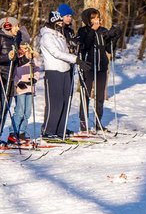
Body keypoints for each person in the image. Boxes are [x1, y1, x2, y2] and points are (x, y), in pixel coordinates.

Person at [76, 8, 120, 132]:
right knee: (85, 95)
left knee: (100, 96)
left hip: (101, 67)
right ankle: (83, 124)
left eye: (97, 17)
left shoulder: (103, 31)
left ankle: (98, 122)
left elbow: (109, 50)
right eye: (93, 18)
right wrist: (92, 31)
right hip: (88, 67)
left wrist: (114, 37)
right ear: (88, 20)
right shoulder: (83, 31)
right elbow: (85, 45)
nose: (97, 20)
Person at [39, 8, 78, 140]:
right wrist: (75, 59)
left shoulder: (60, 36)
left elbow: (68, 52)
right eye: (59, 23)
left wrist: (75, 54)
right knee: (55, 103)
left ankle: (60, 130)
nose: (62, 25)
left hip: (65, 71)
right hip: (53, 71)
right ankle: (48, 131)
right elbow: (56, 53)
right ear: (53, 22)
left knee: (65, 102)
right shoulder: (47, 36)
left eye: (62, 23)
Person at [0, 17, 31, 125]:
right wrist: (7, 57)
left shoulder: (13, 40)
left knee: (4, 109)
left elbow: (15, 62)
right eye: (16, 26)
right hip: (2, 78)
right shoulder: (1, 38)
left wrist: (26, 58)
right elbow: (7, 58)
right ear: (8, 26)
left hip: (10, 78)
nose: (18, 28)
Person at [9, 40, 40, 144]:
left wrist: (35, 78)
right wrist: (18, 82)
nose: (24, 50)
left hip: (30, 87)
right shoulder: (16, 58)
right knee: (20, 111)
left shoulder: (31, 58)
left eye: (26, 48)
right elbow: (13, 72)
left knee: (27, 112)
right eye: (22, 47)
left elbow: (36, 69)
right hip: (20, 87)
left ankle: (22, 132)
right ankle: (13, 132)